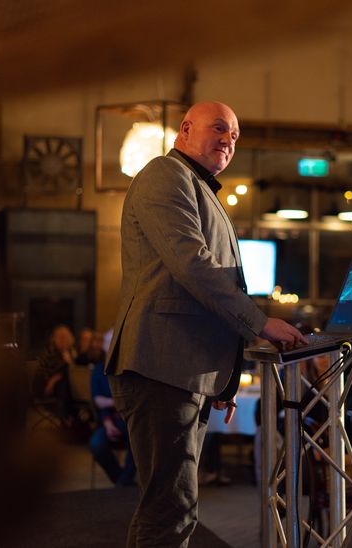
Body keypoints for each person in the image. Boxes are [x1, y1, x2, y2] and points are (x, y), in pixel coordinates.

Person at [105, 101, 307, 547]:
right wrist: (259, 324)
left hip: (181, 371)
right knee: (169, 512)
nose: (228, 141)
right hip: (160, 368)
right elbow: (193, 267)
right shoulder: (166, 174)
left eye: (235, 136)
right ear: (185, 129)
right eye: (219, 128)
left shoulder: (199, 187)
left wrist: (221, 380)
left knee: (173, 508)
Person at [90, 349, 136, 486]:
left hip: (130, 421)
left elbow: (133, 401)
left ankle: (123, 482)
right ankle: (122, 481)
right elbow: (97, 401)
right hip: (108, 422)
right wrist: (108, 423)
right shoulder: (99, 371)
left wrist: (108, 402)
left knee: (139, 440)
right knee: (96, 444)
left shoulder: (130, 369)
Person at [33, 324, 78, 423]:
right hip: (46, 388)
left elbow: (75, 374)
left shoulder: (73, 353)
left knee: (68, 384)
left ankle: (71, 418)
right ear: (54, 339)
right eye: (60, 337)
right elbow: (41, 376)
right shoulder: (49, 354)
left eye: (66, 337)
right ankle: (67, 417)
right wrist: (53, 380)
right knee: (63, 384)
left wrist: (70, 362)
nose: (63, 340)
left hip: (66, 389)